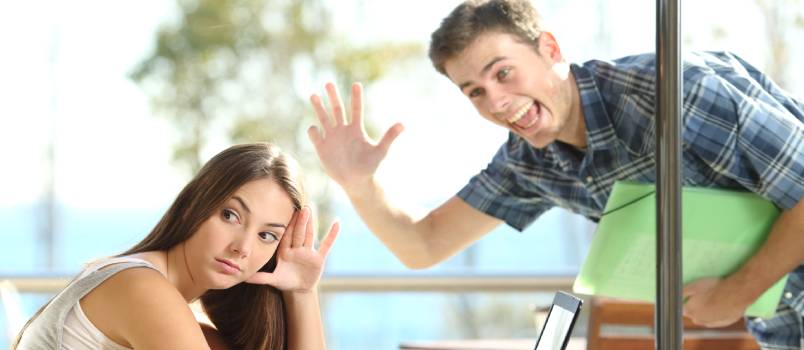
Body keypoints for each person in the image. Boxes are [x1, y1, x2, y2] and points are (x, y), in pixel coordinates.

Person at [306, 0, 804, 348]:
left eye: (503, 72)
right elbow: (424, 244)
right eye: (474, 91)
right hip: (785, 328)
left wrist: (736, 293)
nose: (496, 102)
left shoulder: (677, 94)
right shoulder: (531, 160)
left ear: (548, 48)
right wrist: (358, 184)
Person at [14, 142, 339, 350]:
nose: (242, 247)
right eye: (231, 215)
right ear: (194, 205)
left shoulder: (180, 318)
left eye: (267, 236)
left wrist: (300, 293)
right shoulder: (142, 289)